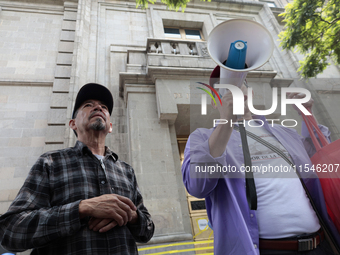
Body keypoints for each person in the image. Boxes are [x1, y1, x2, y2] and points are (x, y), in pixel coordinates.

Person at [182, 67, 340, 255]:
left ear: (251, 93)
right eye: (225, 88)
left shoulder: (284, 131)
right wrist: (227, 122)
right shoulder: (201, 138)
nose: (235, 90)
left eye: (241, 84)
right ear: (215, 102)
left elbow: (321, 161)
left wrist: (306, 115)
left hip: (320, 245)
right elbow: (197, 187)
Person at [0, 83, 154, 255]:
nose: (98, 107)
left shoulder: (127, 171)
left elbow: (147, 231)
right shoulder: (50, 162)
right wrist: (82, 208)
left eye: (104, 107)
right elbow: (11, 231)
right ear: (73, 124)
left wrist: (130, 215)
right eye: (88, 105)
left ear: (110, 126)